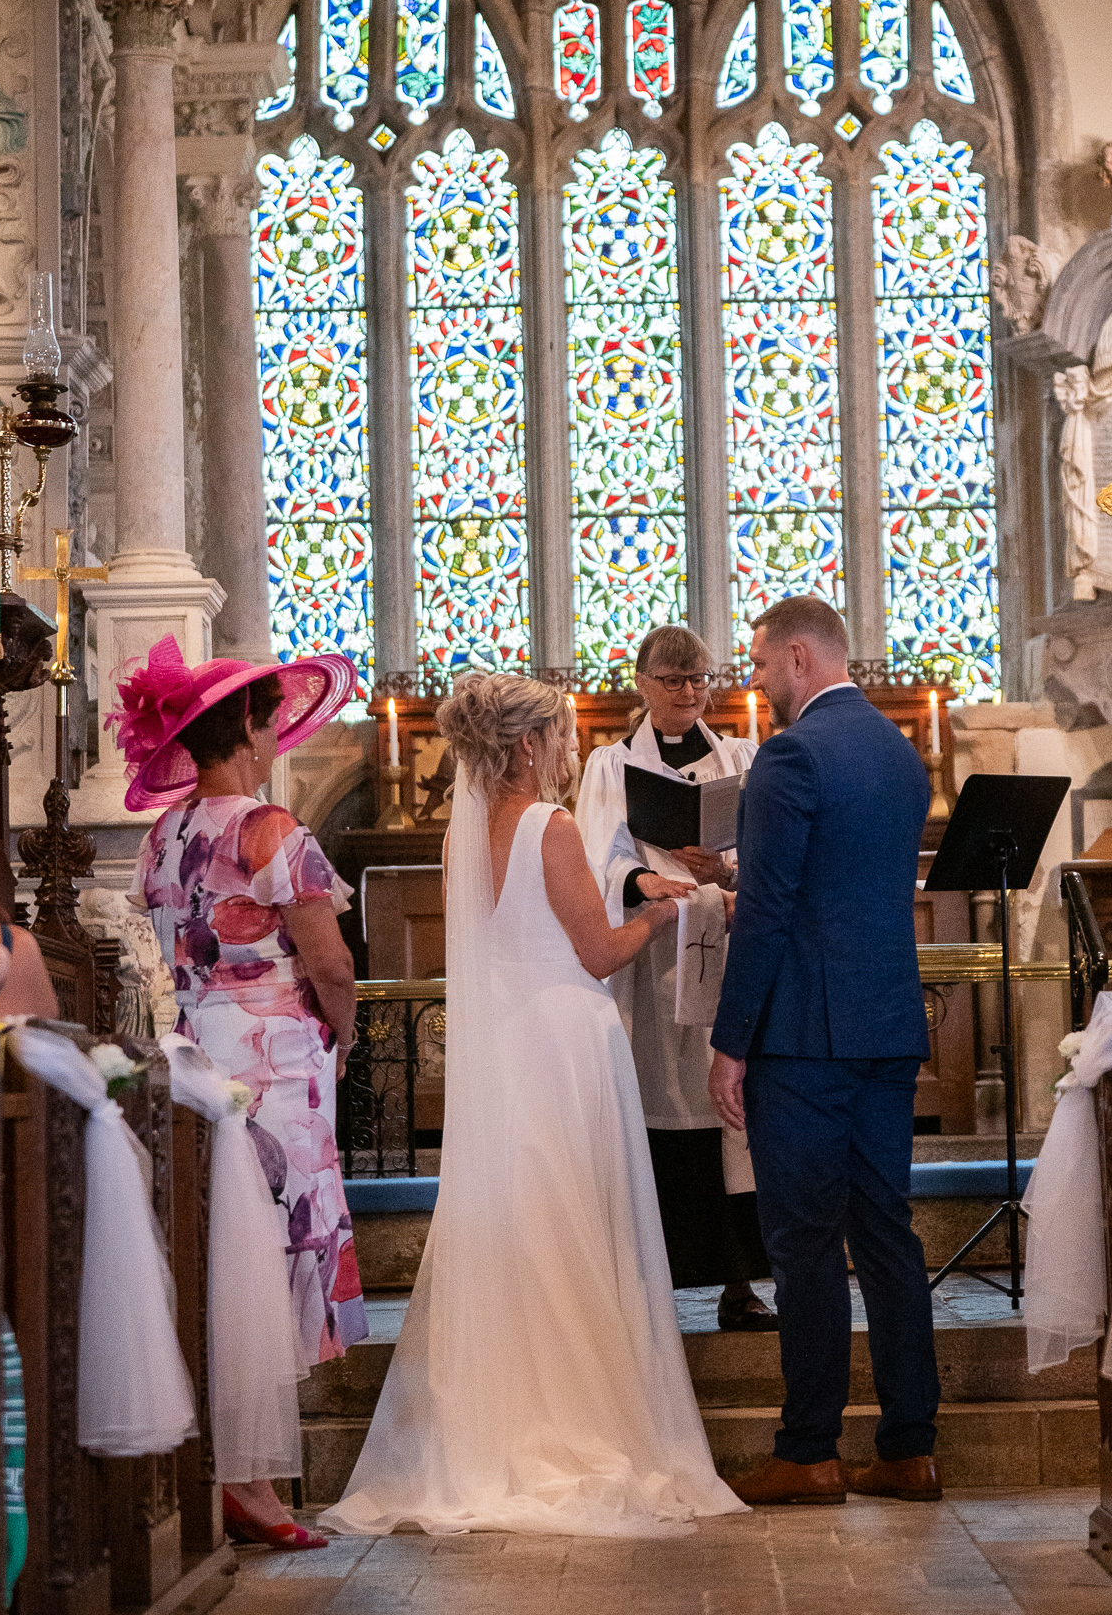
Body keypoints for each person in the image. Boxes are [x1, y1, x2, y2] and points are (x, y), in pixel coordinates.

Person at [321, 673, 744, 1538]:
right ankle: (581, 1419)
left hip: (507, 1045)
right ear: (524, 746)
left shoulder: (464, 829)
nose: (566, 751)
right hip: (565, 1042)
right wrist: (669, 915)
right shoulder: (549, 827)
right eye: (556, 737)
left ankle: (507, 1415)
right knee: (576, 1224)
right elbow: (595, 950)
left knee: (524, 1225)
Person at [116, 634, 367, 1552]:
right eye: (269, 721)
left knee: (223, 1257)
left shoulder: (163, 835)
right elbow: (331, 961)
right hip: (273, 1061)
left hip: (193, 1053)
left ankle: (235, 1473)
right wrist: (340, 1029)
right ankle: (251, 1484)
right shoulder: (270, 831)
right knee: (272, 1260)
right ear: (252, 732)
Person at [708, 595, 941, 1506]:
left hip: (803, 1039)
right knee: (886, 1235)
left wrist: (732, 1044)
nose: (756, 681)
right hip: (885, 1028)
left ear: (800, 657)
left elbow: (765, 911)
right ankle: (908, 1448)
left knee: (803, 1243)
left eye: (762, 662)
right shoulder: (897, 752)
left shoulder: (790, 756)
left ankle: (808, 1450)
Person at [573, 624, 774, 1330]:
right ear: (641, 683)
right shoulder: (610, 765)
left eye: (699, 680)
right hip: (653, 964)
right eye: (672, 680)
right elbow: (596, 856)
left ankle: (738, 1284)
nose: (688, 693)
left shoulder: (743, 758)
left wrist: (727, 872)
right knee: (662, 1113)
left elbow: (769, 856)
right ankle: (648, 1285)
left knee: (731, 1122)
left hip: (725, 947)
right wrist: (640, 879)